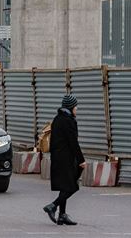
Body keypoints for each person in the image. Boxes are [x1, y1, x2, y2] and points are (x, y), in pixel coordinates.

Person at [43, 94, 85, 226]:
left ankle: (62, 215)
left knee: (65, 186)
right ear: (70, 107)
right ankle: (53, 206)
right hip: (65, 159)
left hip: (58, 158)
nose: (76, 109)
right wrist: (81, 160)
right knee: (72, 186)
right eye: (75, 107)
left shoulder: (57, 119)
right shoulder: (68, 121)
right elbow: (73, 142)